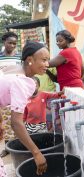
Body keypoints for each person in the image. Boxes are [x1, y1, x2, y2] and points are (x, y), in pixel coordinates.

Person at [0, 41, 49, 175]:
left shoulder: (12, 68)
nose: (47, 64)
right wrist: (37, 153)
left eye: (48, 60)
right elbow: (16, 123)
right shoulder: (24, 82)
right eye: (44, 60)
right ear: (30, 60)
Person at [0, 31, 21, 158]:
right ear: (4, 42)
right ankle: (7, 147)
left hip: (16, 91)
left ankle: (19, 144)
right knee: (6, 120)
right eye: (10, 43)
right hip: (3, 93)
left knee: (18, 119)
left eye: (14, 43)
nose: (12, 45)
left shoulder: (19, 57)